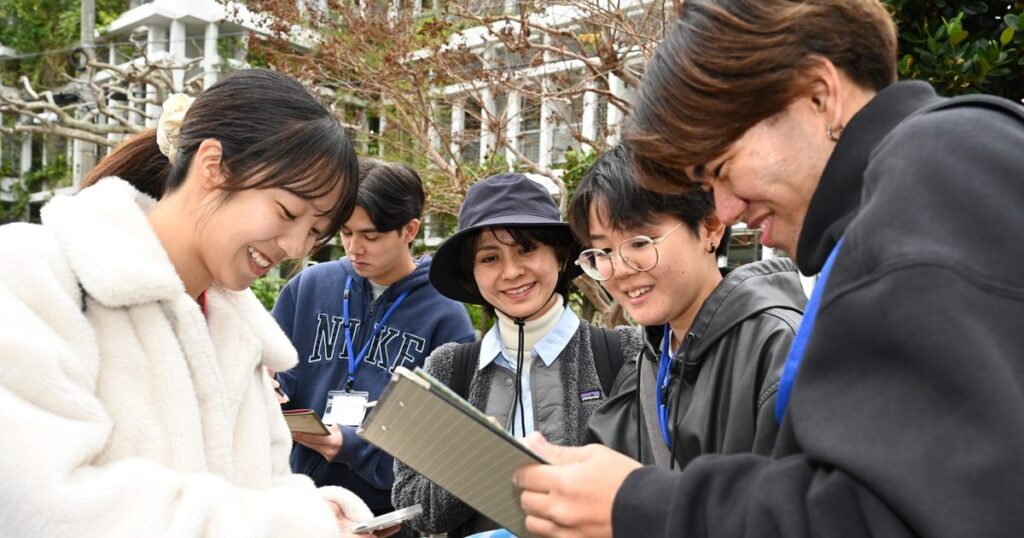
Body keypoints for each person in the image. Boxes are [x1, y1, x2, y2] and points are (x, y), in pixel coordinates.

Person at [514, 1, 1024, 537]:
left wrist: (641, 505)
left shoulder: (942, 163)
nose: (727, 210)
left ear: (818, 94)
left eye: (722, 169)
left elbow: (912, 512)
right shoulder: (906, 197)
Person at [0, 69, 389, 537]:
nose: (293, 246)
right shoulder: (34, 271)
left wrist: (323, 515)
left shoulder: (239, 335)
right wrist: (291, 525)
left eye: (314, 232)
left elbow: (260, 491)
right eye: (287, 212)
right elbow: (40, 502)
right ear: (213, 166)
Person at [391, 173, 643, 537]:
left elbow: (649, 483)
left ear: (559, 256)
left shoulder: (623, 354)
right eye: (490, 258)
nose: (511, 272)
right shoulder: (446, 369)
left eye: (526, 250)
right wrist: (476, 462)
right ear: (472, 274)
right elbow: (411, 508)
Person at [567, 145, 805, 468]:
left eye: (639, 243)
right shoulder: (648, 360)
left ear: (710, 226)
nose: (620, 269)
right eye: (603, 251)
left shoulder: (778, 348)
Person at [271, 158, 475, 521]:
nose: (354, 248)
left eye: (371, 236)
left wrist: (354, 448)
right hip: (297, 503)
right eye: (347, 232)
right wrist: (270, 387)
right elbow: (273, 371)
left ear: (409, 230)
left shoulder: (445, 315)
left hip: (384, 517)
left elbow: (443, 440)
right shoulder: (309, 287)